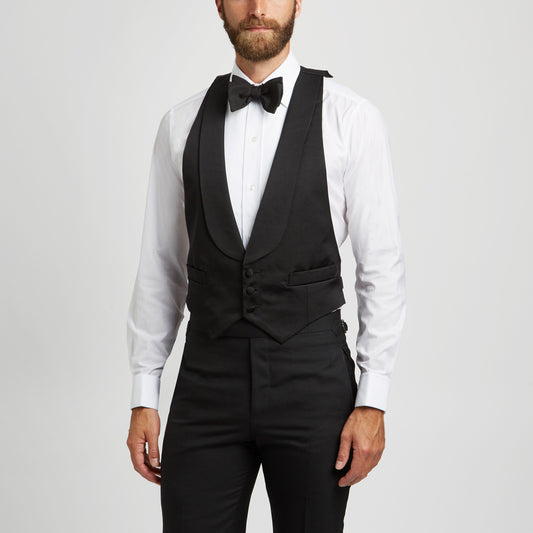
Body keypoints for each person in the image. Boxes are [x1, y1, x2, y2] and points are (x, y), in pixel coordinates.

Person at [126, 0, 407, 531]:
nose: (257, 7)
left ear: (298, 2)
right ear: (218, 4)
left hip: (313, 379)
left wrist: (373, 400)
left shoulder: (350, 118)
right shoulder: (179, 124)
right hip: (207, 381)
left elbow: (381, 269)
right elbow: (161, 267)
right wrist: (144, 394)